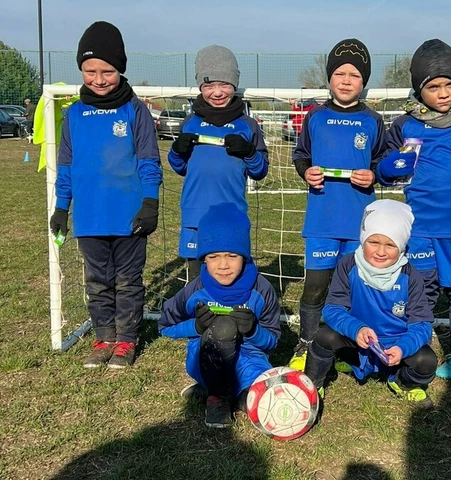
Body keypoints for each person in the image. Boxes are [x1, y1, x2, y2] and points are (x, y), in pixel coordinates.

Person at [375, 39, 451, 380]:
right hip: (421, 227)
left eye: (449, 84)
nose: (443, 93)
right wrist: (390, 167)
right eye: (433, 87)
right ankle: (416, 349)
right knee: (422, 289)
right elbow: (383, 169)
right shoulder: (406, 124)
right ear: (419, 89)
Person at [49, 21, 163, 368]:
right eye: (90, 71)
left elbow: (148, 159)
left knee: (128, 281)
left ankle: (126, 340)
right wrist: (61, 207)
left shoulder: (134, 110)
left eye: (108, 71)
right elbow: (66, 166)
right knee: (97, 282)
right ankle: (104, 337)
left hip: (129, 217)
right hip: (89, 218)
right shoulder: (74, 114)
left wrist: (149, 203)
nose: (99, 79)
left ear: (120, 69)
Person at [288, 38, 386, 371]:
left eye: (355, 75)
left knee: (353, 290)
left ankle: (347, 348)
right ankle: (306, 343)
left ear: (364, 82)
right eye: (340, 73)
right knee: (316, 287)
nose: (346, 80)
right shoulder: (314, 117)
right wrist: (307, 172)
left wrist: (373, 175)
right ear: (329, 77)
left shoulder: (373, 121)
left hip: (360, 224)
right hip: (322, 220)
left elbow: (383, 163)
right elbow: (300, 155)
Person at [158, 203, 281, 428]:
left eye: (232, 255)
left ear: (244, 256)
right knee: (223, 327)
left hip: (249, 365)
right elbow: (164, 326)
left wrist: (254, 330)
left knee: (267, 403)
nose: (223, 265)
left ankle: (223, 392)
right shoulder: (195, 290)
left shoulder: (261, 290)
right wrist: (195, 327)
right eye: (213, 256)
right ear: (203, 258)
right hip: (206, 358)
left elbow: (272, 341)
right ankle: (217, 396)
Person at [303, 199, 437, 405]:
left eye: (390, 245)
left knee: (426, 362)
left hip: (394, 344)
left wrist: (403, 348)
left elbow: (422, 325)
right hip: (359, 340)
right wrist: (356, 329)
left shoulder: (411, 276)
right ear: (363, 239)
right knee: (323, 336)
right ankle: (312, 385)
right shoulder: (348, 265)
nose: (381, 252)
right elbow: (332, 309)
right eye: (374, 242)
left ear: (401, 247)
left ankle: (401, 381)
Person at [168, 45, 269, 281]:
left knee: (230, 277)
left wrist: (249, 152)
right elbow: (179, 166)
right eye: (208, 85)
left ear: (234, 84)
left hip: (231, 216)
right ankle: (197, 318)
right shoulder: (191, 122)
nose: (217, 92)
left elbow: (260, 170)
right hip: (195, 217)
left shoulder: (247, 126)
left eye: (224, 84)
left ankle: (232, 318)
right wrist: (177, 150)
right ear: (200, 87)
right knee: (196, 279)